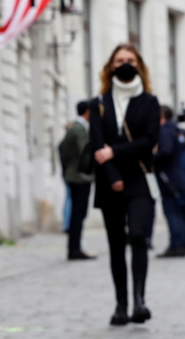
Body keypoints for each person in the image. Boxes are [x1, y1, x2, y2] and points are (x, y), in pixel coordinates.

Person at [90, 44, 160, 326]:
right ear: (110, 66)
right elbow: (96, 144)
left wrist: (115, 151)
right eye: (120, 60)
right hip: (110, 181)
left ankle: (139, 300)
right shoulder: (99, 103)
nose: (125, 64)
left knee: (139, 235)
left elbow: (149, 141)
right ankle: (120, 304)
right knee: (116, 244)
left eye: (130, 60)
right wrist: (112, 173)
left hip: (140, 178)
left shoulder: (150, 102)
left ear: (140, 65)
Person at [58, 101, 95, 260]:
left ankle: (74, 247)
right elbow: (84, 152)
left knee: (76, 214)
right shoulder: (79, 129)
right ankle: (75, 249)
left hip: (73, 174)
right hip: (80, 177)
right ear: (87, 112)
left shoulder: (73, 128)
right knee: (78, 214)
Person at [153, 106, 185, 257]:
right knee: (176, 213)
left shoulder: (165, 131)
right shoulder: (176, 130)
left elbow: (165, 152)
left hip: (168, 178)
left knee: (172, 213)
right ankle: (180, 243)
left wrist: (152, 155)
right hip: (175, 177)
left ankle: (176, 244)